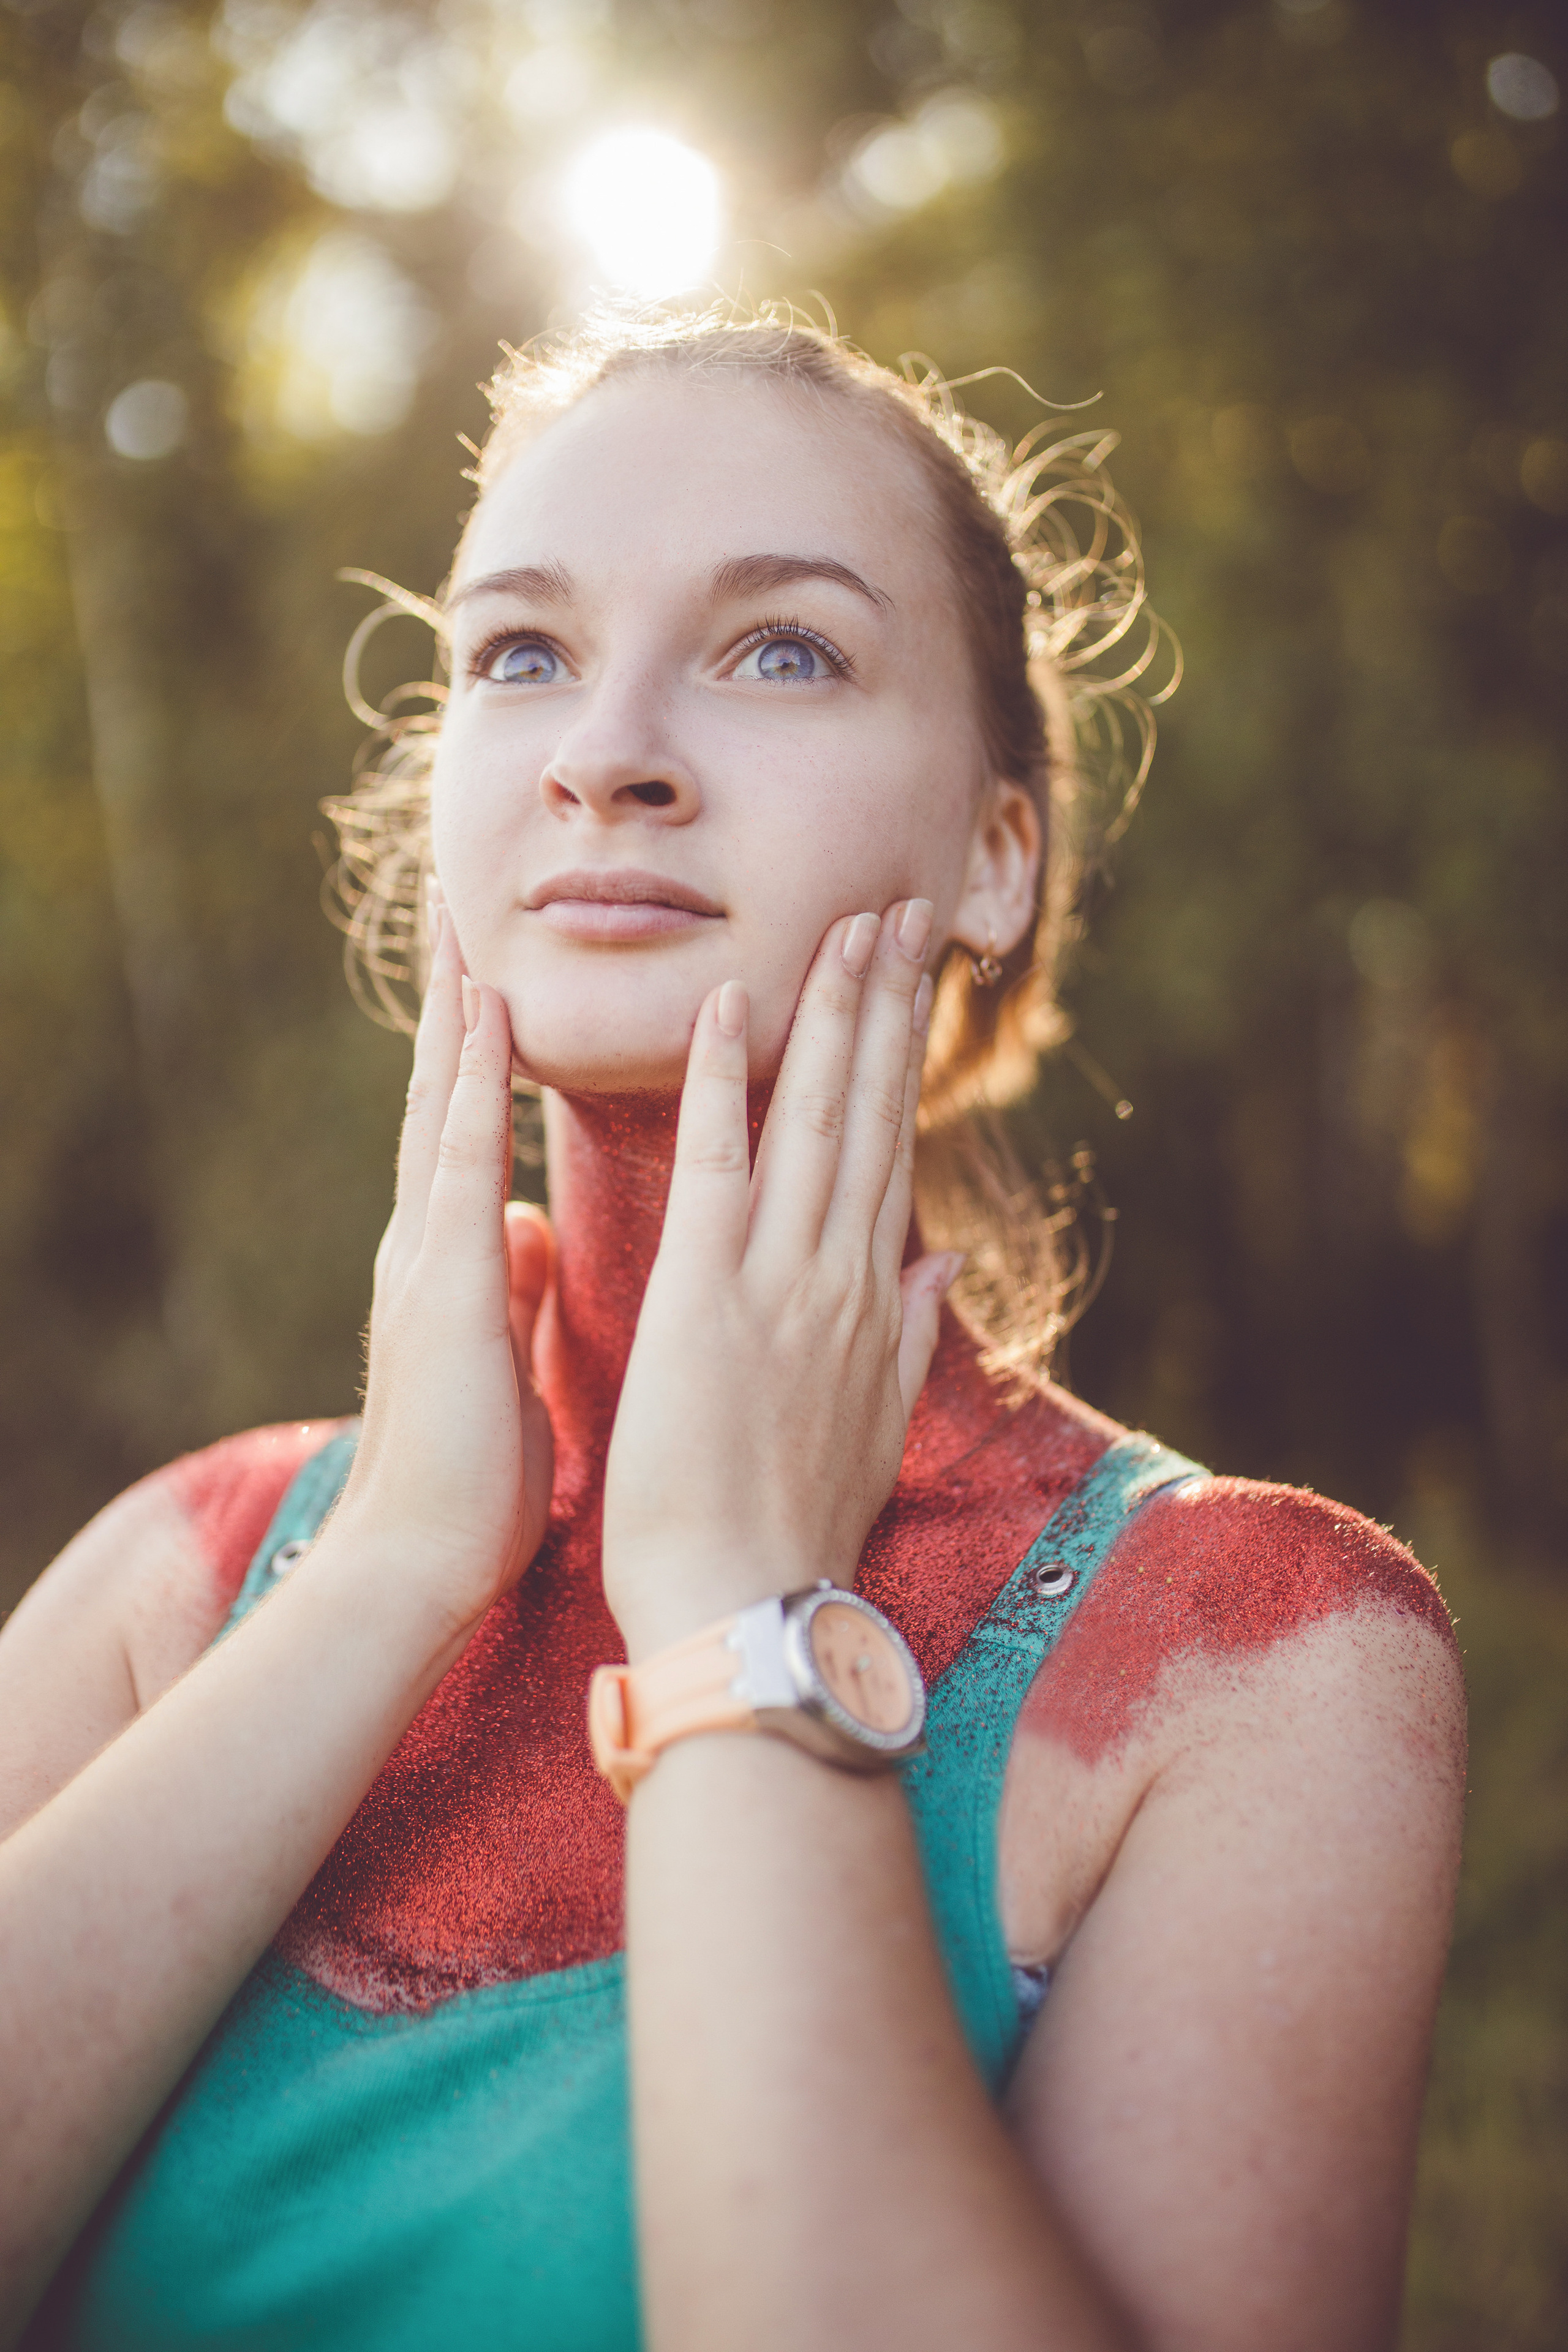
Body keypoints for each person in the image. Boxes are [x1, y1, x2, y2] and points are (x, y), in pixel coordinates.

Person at [0, 312, 1464, 2352]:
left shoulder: (1261, 1667)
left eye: (783, 647)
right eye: (521, 652)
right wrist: (394, 1579)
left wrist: (737, 1601)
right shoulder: (184, 1580)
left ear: (994, 853)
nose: (608, 748)